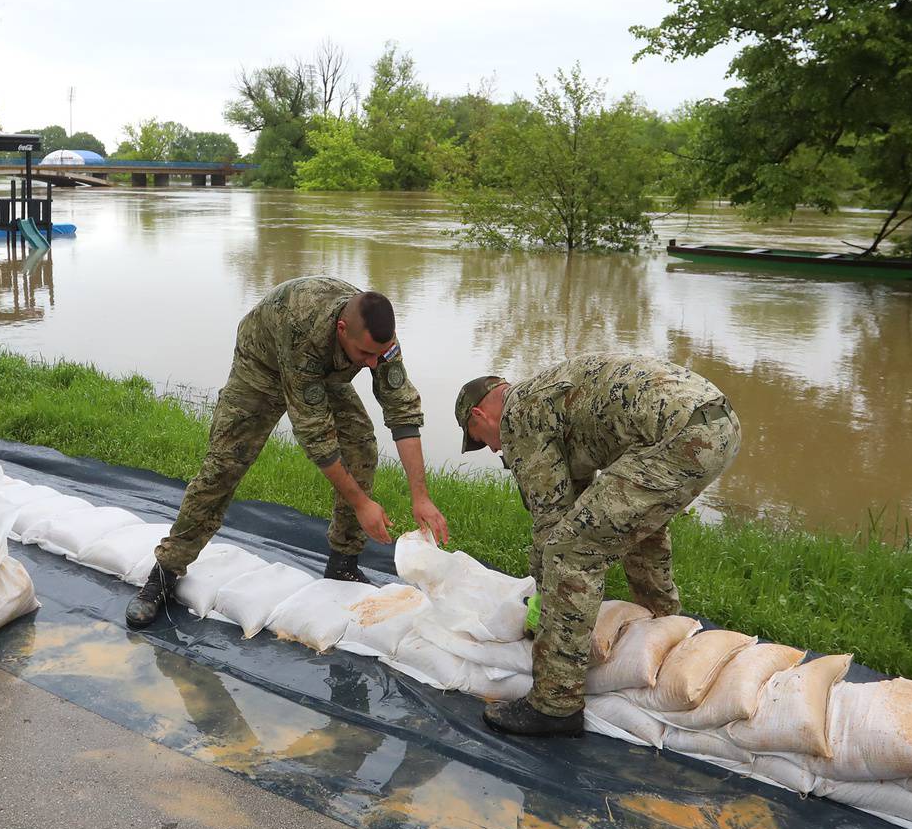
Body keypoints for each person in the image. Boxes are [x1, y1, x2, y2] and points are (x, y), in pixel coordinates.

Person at [126, 276, 449, 629]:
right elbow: (316, 438)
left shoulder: (378, 340)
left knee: (359, 445)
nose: (372, 364)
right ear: (342, 329)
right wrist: (361, 504)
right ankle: (165, 573)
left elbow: (401, 410)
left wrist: (421, 496)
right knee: (223, 466)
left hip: (322, 372)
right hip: (261, 366)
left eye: (378, 355)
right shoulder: (301, 329)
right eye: (365, 355)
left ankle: (343, 564)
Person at [455, 354, 741, 737]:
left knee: (569, 553)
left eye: (480, 441)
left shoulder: (518, 420)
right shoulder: (544, 393)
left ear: (479, 416)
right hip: (717, 422)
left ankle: (555, 705)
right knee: (638, 527)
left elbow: (551, 522)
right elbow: (589, 495)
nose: (492, 450)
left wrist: (544, 604)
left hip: (680, 438)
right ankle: (661, 623)